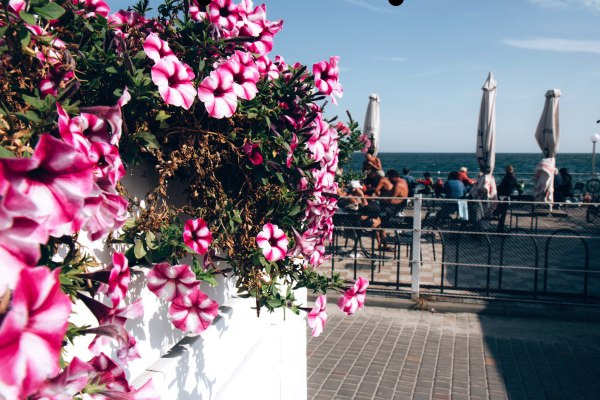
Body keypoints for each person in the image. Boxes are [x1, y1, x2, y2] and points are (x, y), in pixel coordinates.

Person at [495, 165, 519, 232]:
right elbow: (514, 186)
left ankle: (500, 227)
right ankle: (500, 227)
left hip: (503, 197)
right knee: (503, 213)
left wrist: (497, 190)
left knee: (502, 213)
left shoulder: (507, 177)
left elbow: (503, 186)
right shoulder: (513, 177)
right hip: (507, 197)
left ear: (506, 170)